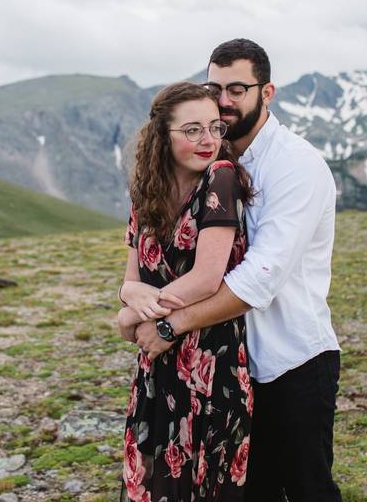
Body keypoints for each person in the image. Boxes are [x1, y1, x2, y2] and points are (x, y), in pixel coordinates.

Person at [129, 39, 343, 501]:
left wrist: (169, 325)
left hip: (291, 360)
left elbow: (257, 278)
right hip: (228, 367)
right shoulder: (214, 162)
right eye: (215, 87)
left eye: (238, 89)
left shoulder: (295, 166)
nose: (223, 101)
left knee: (308, 489)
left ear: (267, 93)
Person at [116, 82, 255, 502]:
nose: (209, 140)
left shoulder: (220, 178)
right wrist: (129, 304)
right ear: (163, 135)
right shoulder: (146, 193)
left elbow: (206, 278)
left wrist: (139, 315)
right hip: (157, 364)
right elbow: (130, 280)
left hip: (210, 364)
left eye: (215, 127)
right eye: (192, 130)